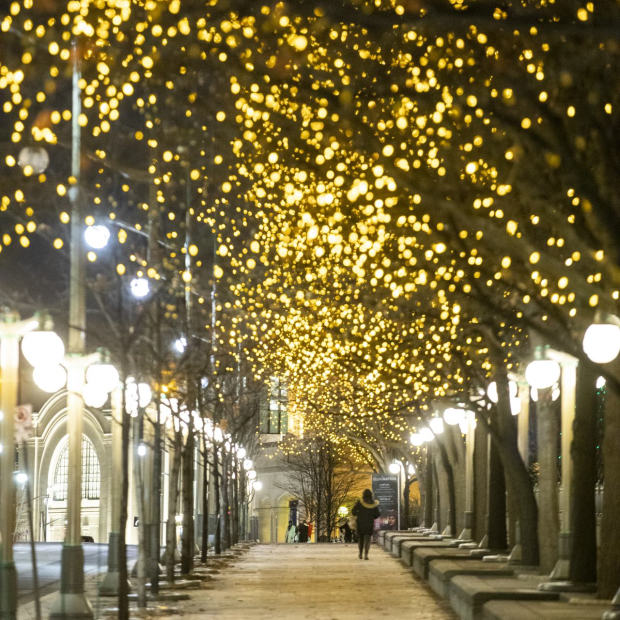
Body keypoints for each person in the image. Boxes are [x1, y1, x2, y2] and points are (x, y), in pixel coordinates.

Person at [351, 488, 380, 560]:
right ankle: (366, 554)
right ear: (371, 495)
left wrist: (358, 514)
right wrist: (372, 516)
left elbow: (353, 511)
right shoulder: (373, 504)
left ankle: (360, 553)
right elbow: (377, 514)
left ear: (363, 495)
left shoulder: (359, 502)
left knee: (360, 539)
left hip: (360, 523)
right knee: (367, 539)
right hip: (369, 524)